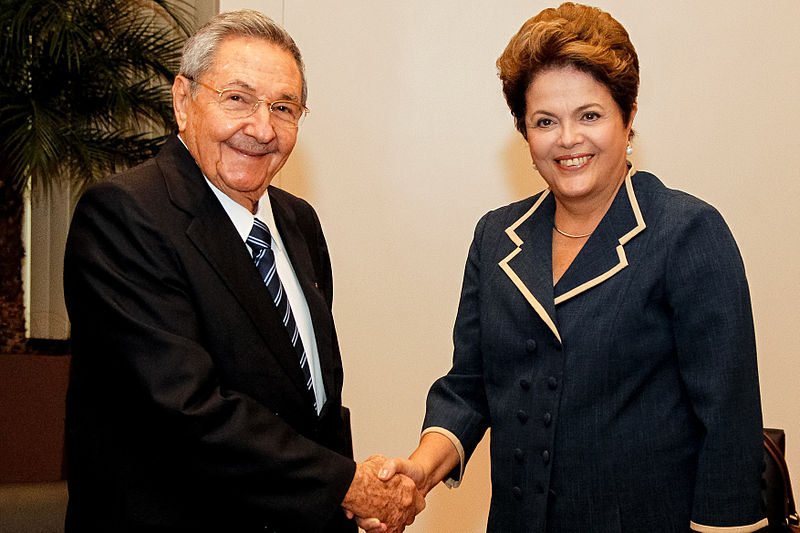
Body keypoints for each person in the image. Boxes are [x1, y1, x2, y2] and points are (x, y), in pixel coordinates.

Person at [375, 3, 766, 532]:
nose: (567, 139)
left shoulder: (687, 232)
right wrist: (418, 473)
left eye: (589, 115)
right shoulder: (495, 237)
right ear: (525, 134)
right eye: (544, 121)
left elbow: (729, 423)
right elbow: (469, 386)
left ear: (628, 119)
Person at [63, 10, 422, 533]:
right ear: (183, 102)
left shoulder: (299, 222)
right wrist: (347, 485)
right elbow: (185, 407)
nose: (261, 128)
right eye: (237, 98)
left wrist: (341, 502)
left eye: (284, 108)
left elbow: (312, 399)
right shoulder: (125, 215)